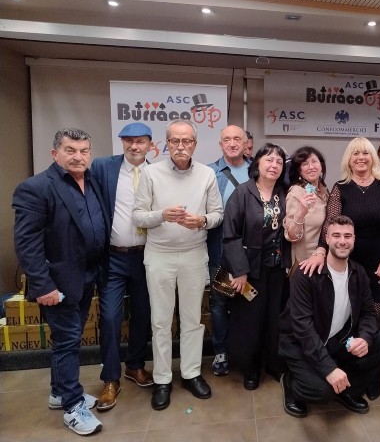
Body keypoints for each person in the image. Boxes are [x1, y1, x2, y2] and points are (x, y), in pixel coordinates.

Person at [13, 128, 109, 435]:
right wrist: (43, 286)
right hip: (58, 284)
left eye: (84, 150)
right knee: (68, 342)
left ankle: (58, 392)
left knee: (70, 338)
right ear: (55, 153)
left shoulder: (93, 181)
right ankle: (72, 406)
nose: (78, 156)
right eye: (70, 150)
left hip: (87, 277)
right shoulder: (36, 188)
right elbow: (27, 243)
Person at [132, 119, 224, 410]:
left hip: (194, 254)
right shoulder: (150, 173)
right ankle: (162, 379)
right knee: (160, 321)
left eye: (187, 141)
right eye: (175, 141)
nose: (181, 146)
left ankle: (191, 373)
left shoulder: (207, 174)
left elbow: (218, 214)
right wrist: (161, 215)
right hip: (159, 255)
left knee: (192, 319)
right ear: (166, 144)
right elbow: (138, 216)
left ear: (195, 144)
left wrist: (203, 220)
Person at [300, 136, 380, 399]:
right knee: (349, 318)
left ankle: (372, 372)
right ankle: (346, 370)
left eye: (365, 153)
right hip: (349, 266)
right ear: (349, 159)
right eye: (355, 154)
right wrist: (321, 251)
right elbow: (331, 225)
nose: (361, 158)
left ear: (373, 157)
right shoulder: (341, 188)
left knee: (374, 319)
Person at [278, 215, 380, 417]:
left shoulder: (358, 273)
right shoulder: (306, 275)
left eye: (347, 236)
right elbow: (303, 328)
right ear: (327, 239)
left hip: (335, 340)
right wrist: (328, 369)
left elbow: (368, 313)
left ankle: (347, 390)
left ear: (354, 239)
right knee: (323, 391)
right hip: (301, 345)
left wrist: (365, 339)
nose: (342, 241)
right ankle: (291, 383)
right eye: (336, 235)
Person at [91, 122, 154, 412]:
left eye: (140, 141)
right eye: (128, 140)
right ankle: (110, 379)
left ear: (150, 145)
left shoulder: (158, 173)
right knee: (111, 318)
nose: (134, 146)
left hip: (147, 256)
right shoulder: (103, 168)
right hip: (113, 258)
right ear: (122, 142)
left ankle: (135, 366)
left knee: (143, 314)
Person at [223, 143, 291, 391]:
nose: (274, 165)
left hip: (278, 270)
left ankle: (273, 363)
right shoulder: (242, 193)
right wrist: (239, 271)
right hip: (251, 271)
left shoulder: (285, 193)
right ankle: (250, 368)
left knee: (275, 319)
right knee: (250, 321)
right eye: (269, 160)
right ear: (257, 164)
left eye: (279, 162)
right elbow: (230, 235)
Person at [206, 125, 251, 377]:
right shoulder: (210, 172)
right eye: (227, 140)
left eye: (237, 139)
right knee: (220, 303)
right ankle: (221, 352)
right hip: (220, 251)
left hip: (252, 252)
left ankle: (245, 351)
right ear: (220, 144)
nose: (232, 143)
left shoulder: (257, 170)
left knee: (249, 302)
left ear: (245, 143)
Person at [283, 146, 329, 270]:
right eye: (305, 164)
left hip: (325, 259)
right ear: (299, 170)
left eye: (314, 162)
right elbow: (291, 236)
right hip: (305, 263)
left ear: (321, 166)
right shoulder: (296, 192)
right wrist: (301, 213)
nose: (311, 167)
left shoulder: (324, 190)